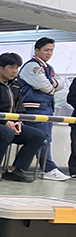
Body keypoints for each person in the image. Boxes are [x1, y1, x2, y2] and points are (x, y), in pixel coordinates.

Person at [0, 53, 46, 183]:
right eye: (11, 67)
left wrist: (18, 122)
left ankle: (15, 170)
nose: (15, 71)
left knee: (38, 135)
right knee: (5, 132)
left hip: (11, 124)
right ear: (0, 68)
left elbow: (20, 109)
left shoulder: (16, 86)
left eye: (17, 67)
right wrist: (5, 122)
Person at [18, 37, 69, 181]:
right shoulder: (31, 66)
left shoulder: (48, 67)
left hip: (46, 108)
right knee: (42, 139)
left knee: (47, 138)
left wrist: (50, 84)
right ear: (37, 50)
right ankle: (48, 168)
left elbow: (61, 84)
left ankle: (48, 167)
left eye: (52, 50)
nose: (49, 53)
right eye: (46, 50)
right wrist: (51, 85)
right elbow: (47, 87)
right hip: (34, 109)